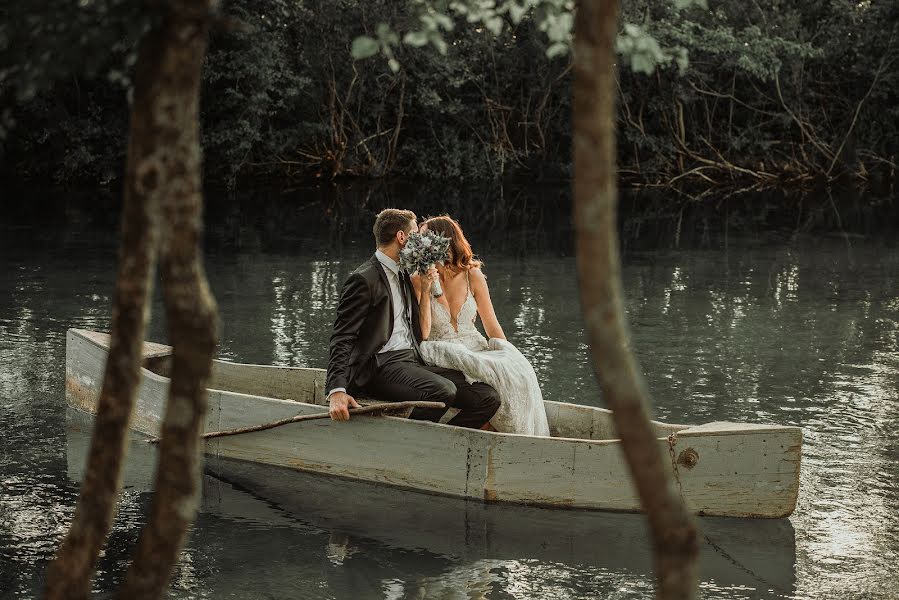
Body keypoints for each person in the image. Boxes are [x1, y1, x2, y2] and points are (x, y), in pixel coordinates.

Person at [326, 208, 500, 429]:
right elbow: (342, 337)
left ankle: (444, 444)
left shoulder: (406, 274)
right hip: (380, 367)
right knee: (442, 390)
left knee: (487, 396)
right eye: (416, 233)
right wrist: (337, 390)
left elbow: (423, 328)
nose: (421, 240)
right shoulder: (364, 279)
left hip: (411, 361)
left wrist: (427, 288)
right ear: (401, 237)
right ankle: (410, 442)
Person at [412, 215, 551, 436]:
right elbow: (425, 333)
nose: (420, 244)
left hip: (474, 347)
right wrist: (427, 287)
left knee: (519, 373)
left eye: (425, 238)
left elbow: (492, 326)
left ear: (443, 241)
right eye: (419, 241)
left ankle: (514, 433)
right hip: (441, 349)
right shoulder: (418, 279)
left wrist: (509, 358)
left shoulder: (473, 275)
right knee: (485, 380)